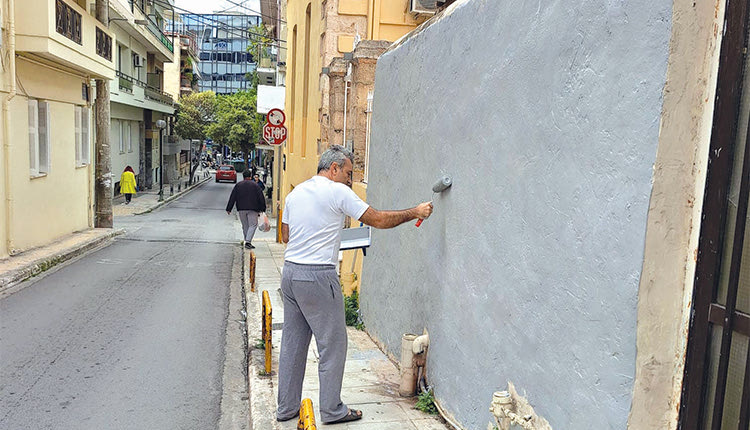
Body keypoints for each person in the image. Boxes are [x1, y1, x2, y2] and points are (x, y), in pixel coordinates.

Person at [276, 145, 433, 424]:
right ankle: (332, 410)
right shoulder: (337, 192)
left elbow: (286, 235)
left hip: (290, 274)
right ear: (333, 168)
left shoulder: (295, 193)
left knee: (293, 344)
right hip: (318, 276)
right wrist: (416, 212)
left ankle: (286, 408)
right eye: (348, 173)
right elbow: (378, 220)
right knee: (333, 345)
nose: (350, 180)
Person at [226, 169, 267, 249]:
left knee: (245, 225)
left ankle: (246, 240)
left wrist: (229, 208)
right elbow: (261, 197)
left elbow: (233, 197)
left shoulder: (238, 185)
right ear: (250, 176)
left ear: (243, 176)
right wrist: (262, 208)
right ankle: (248, 241)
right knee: (253, 224)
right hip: (253, 208)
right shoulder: (255, 185)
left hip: (241, 208)